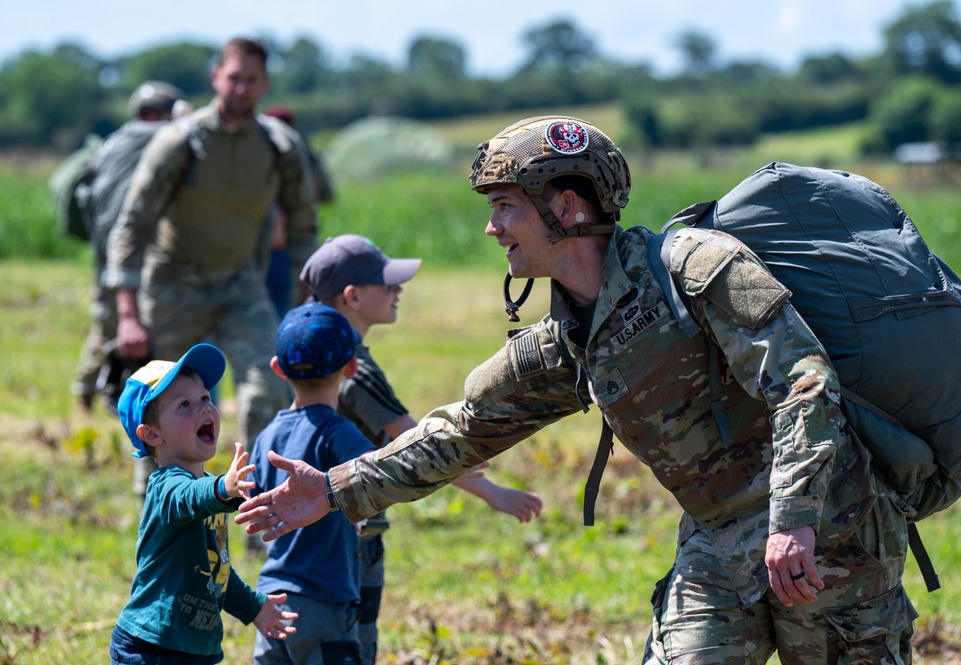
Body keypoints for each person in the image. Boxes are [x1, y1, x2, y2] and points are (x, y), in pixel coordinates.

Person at [237, 116, 916, 664]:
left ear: (565, 206)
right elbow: (460, 430)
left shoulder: (698, 270)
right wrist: (331, 489)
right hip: (715, 540)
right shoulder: (563, 343)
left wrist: (792, 515)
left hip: (831, 528)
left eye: (504, 206)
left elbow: (803, 383)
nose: (489, 226)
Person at [299, 234, 543, 664]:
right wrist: (493, 493)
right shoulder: (355, 368)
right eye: (388, 285)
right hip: (352, 533)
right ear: (353, 296)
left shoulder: (315, 354)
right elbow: (415, 444)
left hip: (320, 530)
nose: (399, 292)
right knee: (353, 642)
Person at [105, 37, 318, 507]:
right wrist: (127, 313)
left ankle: (260, 502)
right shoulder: (180, 141)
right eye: (233, 77)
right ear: (216, 77)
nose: (241, 88)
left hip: (240, 285)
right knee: (167, 407)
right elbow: (133, 224)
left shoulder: (279, 146)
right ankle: (159, 505)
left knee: (268, 387)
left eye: (252, 79)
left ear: (264, 83)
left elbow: (304, 225)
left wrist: (307, 299)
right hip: (173, 285)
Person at [110, 343, 297, 664]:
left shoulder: (206, 487)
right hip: (151, 646)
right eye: (184, 404)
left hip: (199, 648)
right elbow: (189, 498)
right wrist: (224, 487)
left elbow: (216, 569)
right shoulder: (165, 488)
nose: (205, 409)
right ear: (152, 435)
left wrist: (252, 607)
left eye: (206, 398)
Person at [249, 302, 376, 664]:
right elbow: (378, 472)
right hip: (324, 599)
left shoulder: (266, 437)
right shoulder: (339, 432)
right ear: (351, 367)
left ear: (277, 369)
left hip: (271, 599)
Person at [71, 80, 185, 415]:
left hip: (107, 253)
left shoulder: (110, 145)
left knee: (108, 325)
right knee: (119, 330)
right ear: (152, 114)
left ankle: (88, 395)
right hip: (132, 254)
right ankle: (102, 397)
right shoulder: (154, 138)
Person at [261, 104, 336, 318]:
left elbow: (327, 195)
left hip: (284, 240)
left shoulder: (272, 154)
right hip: (291, 240)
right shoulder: (305, 153)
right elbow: (327, 195)